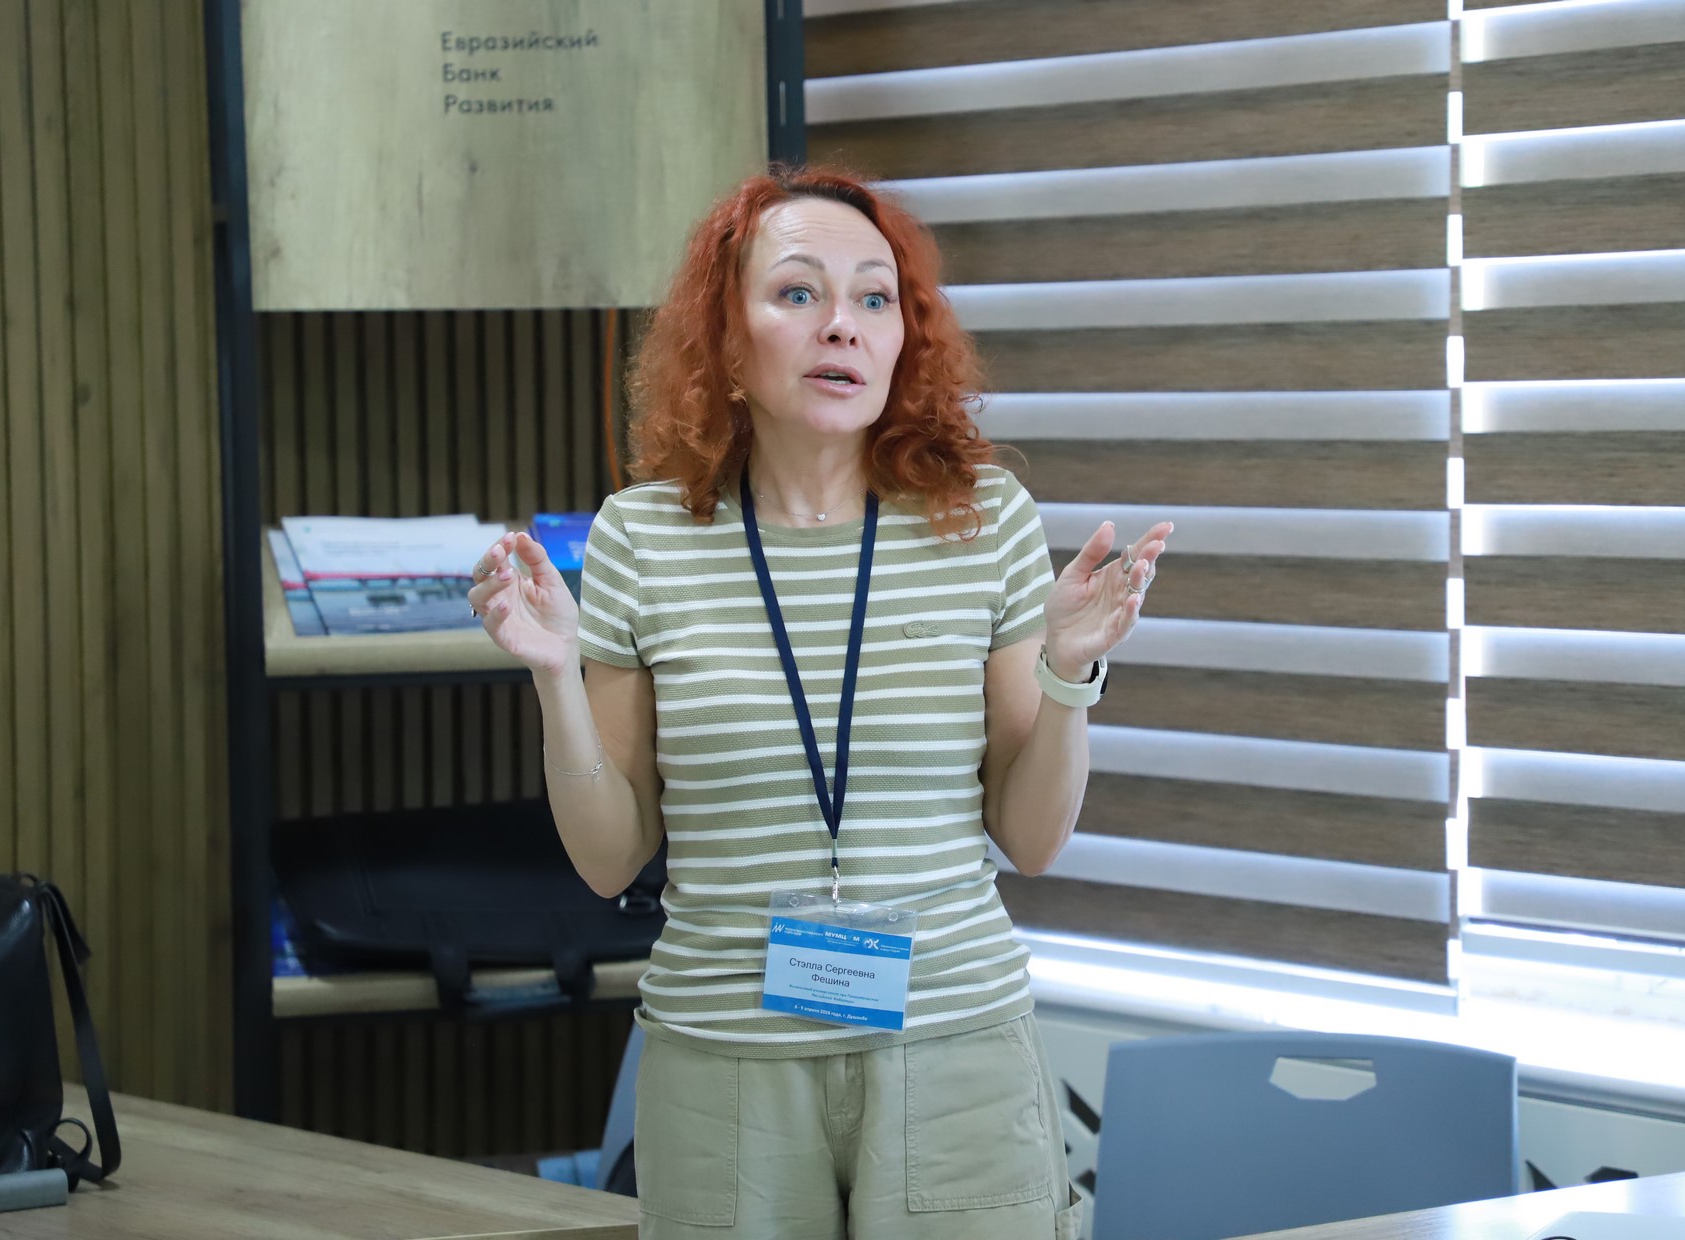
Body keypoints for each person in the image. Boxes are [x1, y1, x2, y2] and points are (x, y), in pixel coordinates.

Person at [468, 165, 1170, 1239]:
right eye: (797, 292)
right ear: (726, 340)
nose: (841, 324)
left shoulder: (981, 520)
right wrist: (556, 676)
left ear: (902, 339)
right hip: (725, 1063)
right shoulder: (643, 538)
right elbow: (610, 859)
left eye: (874, 298)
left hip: (955, 1054)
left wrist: (1069, 673)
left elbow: (1032, 841)